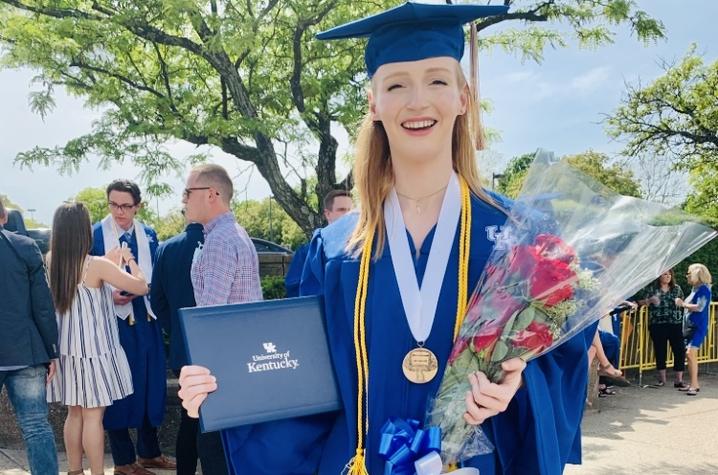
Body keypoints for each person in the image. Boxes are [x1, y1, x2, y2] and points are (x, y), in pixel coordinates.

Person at [179, 3, 594, 474]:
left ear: (463, 97)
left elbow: (564, 357)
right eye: (396, 84)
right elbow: (303, 381)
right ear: (375, 105)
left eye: (437, 80)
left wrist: (519, 384)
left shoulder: (516, 238)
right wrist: (228, 389)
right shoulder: (334, 250)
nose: (417, 101)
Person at [47, 203, 148, 475]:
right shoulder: (97, 265)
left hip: (66, 349)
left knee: (74, 413)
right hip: (95, 349)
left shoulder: (50, 260)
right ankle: (97, 472)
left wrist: (109, 260)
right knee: (94, 415)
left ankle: (74, 470)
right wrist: (129, 260)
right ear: (83, 230)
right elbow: (141, 286)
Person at [180, 163, 263, 474]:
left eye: (188, 192)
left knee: (215, 452)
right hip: (242, 359)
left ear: (212, 194)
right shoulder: (236, 233)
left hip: (220, 367)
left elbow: (209, 315)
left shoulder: (218, 240)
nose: (184, 200)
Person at [90, 180, 175, 474]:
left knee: (150, 384)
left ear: (137, 206)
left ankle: (150, 452)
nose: (119, 211)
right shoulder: (95, 234)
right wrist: (107, 294)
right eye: (113, 204)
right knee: (118, 387)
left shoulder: (148, 233)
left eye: (126, 205)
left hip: (146, 314)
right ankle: (124, 460)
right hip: (112, 321)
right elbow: (82, 280)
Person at [0, 197, 59, 475]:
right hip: (26, 352)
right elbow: (43, 306)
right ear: (4, 218)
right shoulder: (25, 247)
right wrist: (52, 351)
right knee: (36, 426)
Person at [150, 219, 205, 475]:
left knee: (189, 418)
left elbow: (157, 300)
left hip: (183, 344)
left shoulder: (166, 248)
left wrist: (176, 328)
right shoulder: (223, 242)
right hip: (221, 344)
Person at [284, 189, 354, 297]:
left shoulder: (361, 250)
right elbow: (295, 293)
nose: (348, 215)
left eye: (350, 210)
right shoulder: (307, 252)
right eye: (342, 210)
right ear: (328, 214)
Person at [635, 269, 687, 387]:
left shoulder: (677, 288)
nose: (668, 276)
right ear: (659, 276)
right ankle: (662, 380)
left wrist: (680, 302)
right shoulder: (652, 289)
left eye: (669, 274)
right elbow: (639, 302)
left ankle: (679, 380)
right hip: (657, 324)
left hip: (675, 323)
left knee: (679, 350)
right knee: (660, 351)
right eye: (665, 274)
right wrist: (649, 300)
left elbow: (682, 302)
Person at [675, 264, 712, 396]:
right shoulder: (695, 289)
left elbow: (699, 307)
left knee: (690, 354)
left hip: (698, 327)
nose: (687, 276)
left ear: (697, 274)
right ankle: (692, 383)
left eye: (689, 273)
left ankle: (695, 385)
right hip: (690, 327)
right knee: (689, 356)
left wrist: (683, 304)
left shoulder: (704, 290)